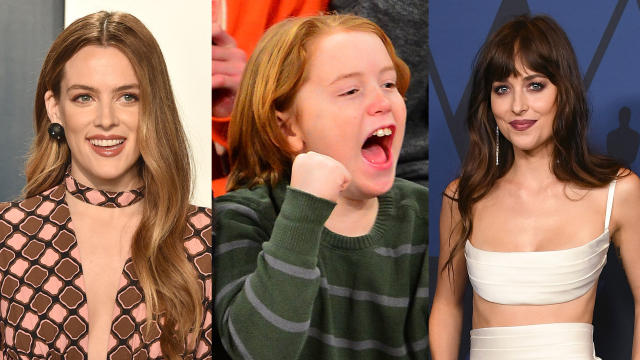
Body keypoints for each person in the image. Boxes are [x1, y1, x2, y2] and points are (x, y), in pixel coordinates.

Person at [214, 14, 427, 359]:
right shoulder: (237, 219)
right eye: (351, 91)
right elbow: (261, 351)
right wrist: (305, 210)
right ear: (287, 129)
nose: (383, 102)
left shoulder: (426, 215)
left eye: (389, 85)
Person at [0, 11, 212, 359]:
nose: (106, 120)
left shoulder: (203, 238)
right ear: (55, 108)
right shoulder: (8, 235)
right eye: (84, 97)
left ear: (152, 107)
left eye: (127, 96)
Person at [429, 15, 640, 359]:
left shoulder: (617, 191)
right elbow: (447, 306)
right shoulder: (463, 196)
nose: (517, 106)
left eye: (535, 85)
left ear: (564, 92)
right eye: (502, 89)